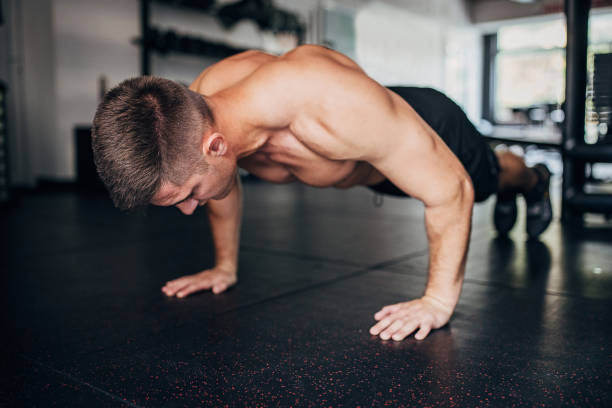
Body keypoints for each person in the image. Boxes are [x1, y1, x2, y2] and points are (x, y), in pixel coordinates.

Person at [92, 45, 552, 342]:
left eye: (187, 195)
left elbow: (452, 189)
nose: (191, 209)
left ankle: (532, 178)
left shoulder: (327, 105)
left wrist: (436, 302)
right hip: (372, 163)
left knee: (491, 178)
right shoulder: (198, 109)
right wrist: (224, 266)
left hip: (424, 124)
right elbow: (217, 182)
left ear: (216, 146)